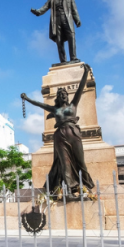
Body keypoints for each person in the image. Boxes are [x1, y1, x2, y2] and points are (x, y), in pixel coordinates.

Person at [21, 63, 94, 196]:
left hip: (73, 133)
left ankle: (85, 186)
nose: (63, 96)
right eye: (60, 95)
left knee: (80, 161)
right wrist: (27, 99)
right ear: (58, 98)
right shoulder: (55, 109)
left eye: (64, 94)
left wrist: (85, 73)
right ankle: (71, 190)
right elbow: (41, 104)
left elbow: (79, 90)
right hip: (60, 135)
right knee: (64, 164)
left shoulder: (73, 105)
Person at [31, 0, 82, 64]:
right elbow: (44, 8)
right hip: (56, 21)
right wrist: (37, 12)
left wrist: (77, 20)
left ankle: (73, 57)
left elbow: (74, 10)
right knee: (59, 41)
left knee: (71, 37)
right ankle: (63, 60)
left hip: (67, 19)